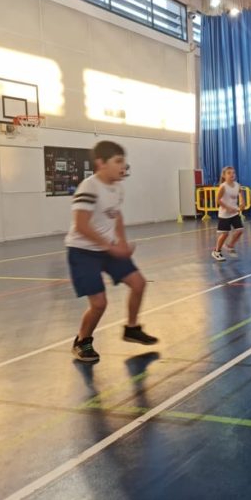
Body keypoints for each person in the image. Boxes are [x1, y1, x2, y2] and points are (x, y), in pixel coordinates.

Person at [65, 141, 158, 363]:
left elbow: (116, 216)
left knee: (138, 283)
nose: (123, 166)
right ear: (101, 163)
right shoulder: (89, 187)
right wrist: (111, 247)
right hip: (82, 251)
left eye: (124, 161)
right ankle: (82, 341)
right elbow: (81, 225)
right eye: (118, 161)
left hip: (107, 249)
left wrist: (122, 243)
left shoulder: (117, 188)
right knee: (99, 304)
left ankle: (132, 328)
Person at [211, 166, 245, 261]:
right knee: (225, 234)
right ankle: (216, 252)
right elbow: (217, 200)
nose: (232, 174)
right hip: (224, 214)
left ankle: (230, 246)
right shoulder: (223, 186)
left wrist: (242, 203)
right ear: (224, 175)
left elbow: (241, 194)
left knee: (240, 230)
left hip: (234, 213)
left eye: (233, 173)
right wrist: (227, 208)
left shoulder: (237, 185)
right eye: (229, 173)